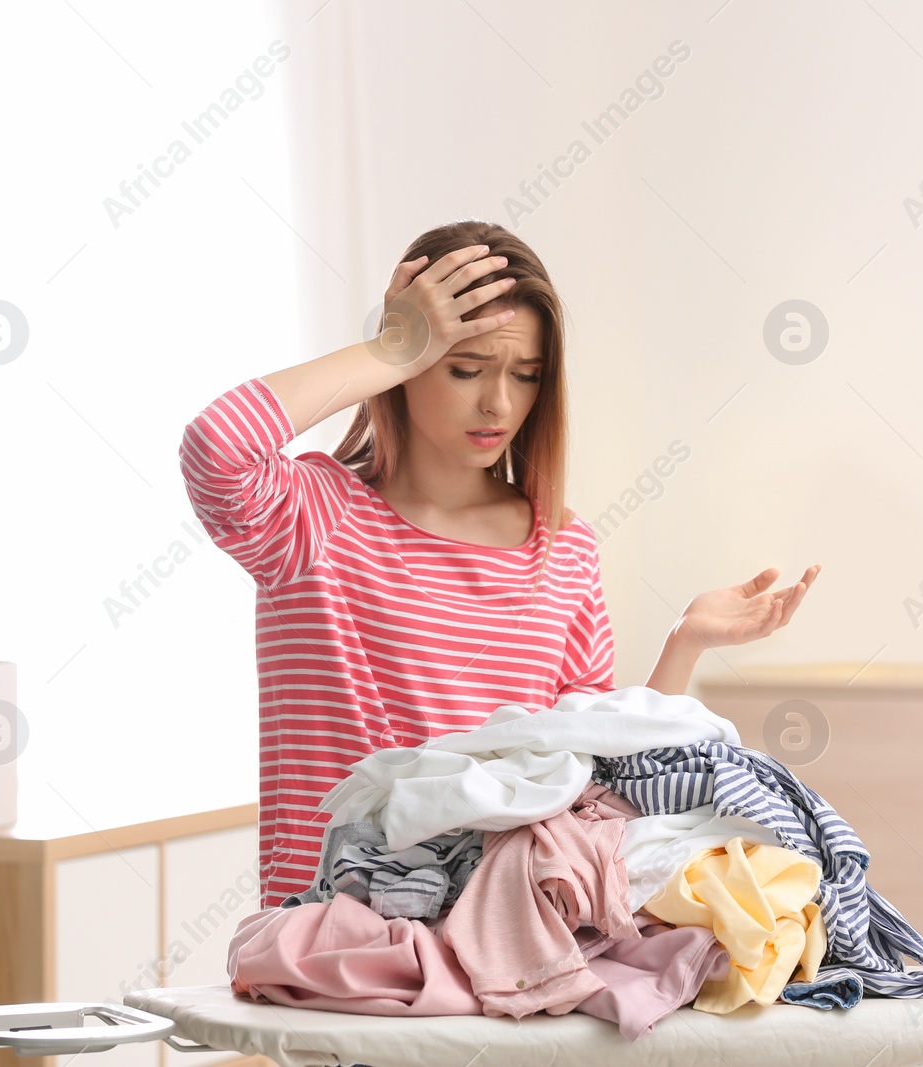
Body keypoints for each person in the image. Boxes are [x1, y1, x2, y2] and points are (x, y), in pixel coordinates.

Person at [179, 219, 820, 908]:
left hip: (499, 950)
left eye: (526, 375)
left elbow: (596, 775)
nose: (500, 403)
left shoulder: (562, 546)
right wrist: (388, 347)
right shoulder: (313, 517)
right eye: (465, 368)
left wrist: (683, 643)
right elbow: (217, 445)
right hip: (329, 949)